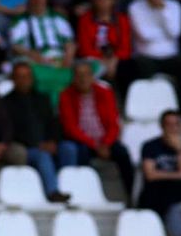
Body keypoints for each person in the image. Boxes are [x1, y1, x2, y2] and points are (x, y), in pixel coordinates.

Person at [58, 61, 135, 199]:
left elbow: (113, 123)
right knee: (81, 153)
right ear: (73, 77)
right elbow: (70, 128)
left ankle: (130, 195)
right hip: (82, 141)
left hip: (105, 141)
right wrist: (93, 144)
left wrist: (105, 143)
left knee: (122, 153)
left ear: (93, 76)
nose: (83, 79)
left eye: (86, 75)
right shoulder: (66, 95)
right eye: (79, 75)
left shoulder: (105, 93)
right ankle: (87, 195)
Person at [4, 62, 70, 203]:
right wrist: (37, 144)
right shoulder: (6, 102)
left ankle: (69, 187)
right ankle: (53, 191)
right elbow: (8, 131)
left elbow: (54, 123)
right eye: (20, 77)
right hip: (26, 147)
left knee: (68, 149)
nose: (24, 80)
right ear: (13, 79)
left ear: (32, 79)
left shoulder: (43, 99)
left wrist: (53, 141)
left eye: (27, 76)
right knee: (43, 156)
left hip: (48, 144)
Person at [9, 0, 77, 104]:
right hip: (37, 60)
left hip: (60, 58)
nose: (38, 0)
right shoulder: (21, 20)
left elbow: (69, 42)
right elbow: (15, 45)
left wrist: (68, 56)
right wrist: (33, 55)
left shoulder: (58, 17)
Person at [129, 0, 181, 91]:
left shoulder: (174, 6)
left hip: (170, 56)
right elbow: (144, 35)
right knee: (141, 66)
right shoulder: (135, 7)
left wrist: (161, 10)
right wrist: (163, 34)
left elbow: (175, 32)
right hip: (146, 56)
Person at [76, 0, 135, 92]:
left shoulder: (122, 20)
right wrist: (102, 62)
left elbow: (126, 48)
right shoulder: (85, 20)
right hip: (93, 60)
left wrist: (114, 60)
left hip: (116, 60)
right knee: (84, 70)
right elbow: (85, 49)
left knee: (128, 67)